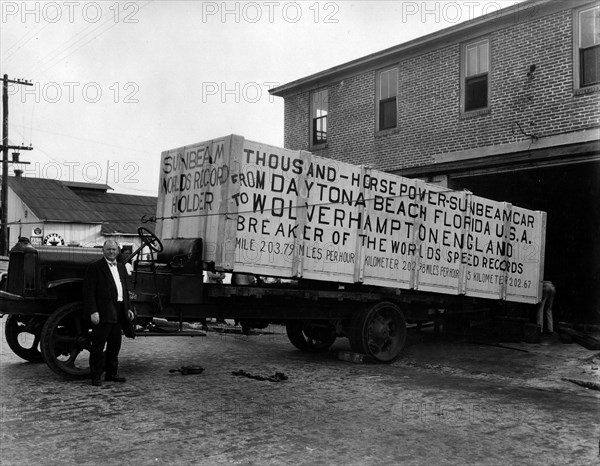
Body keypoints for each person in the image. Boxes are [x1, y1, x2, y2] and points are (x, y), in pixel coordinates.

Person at [83, 239, 134, 386]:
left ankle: (111, 374)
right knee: (98, 346)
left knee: (115, 344)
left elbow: (125, 290)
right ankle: (96, 376)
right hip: (103, 312)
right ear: (103, 251)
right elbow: (89, 292)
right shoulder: (95, 267)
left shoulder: (121, 267)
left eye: (114, 250)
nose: (111, 252)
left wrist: (128, 308)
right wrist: (93, 311)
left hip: (118, 311)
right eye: (108, 249)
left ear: (118, 251)